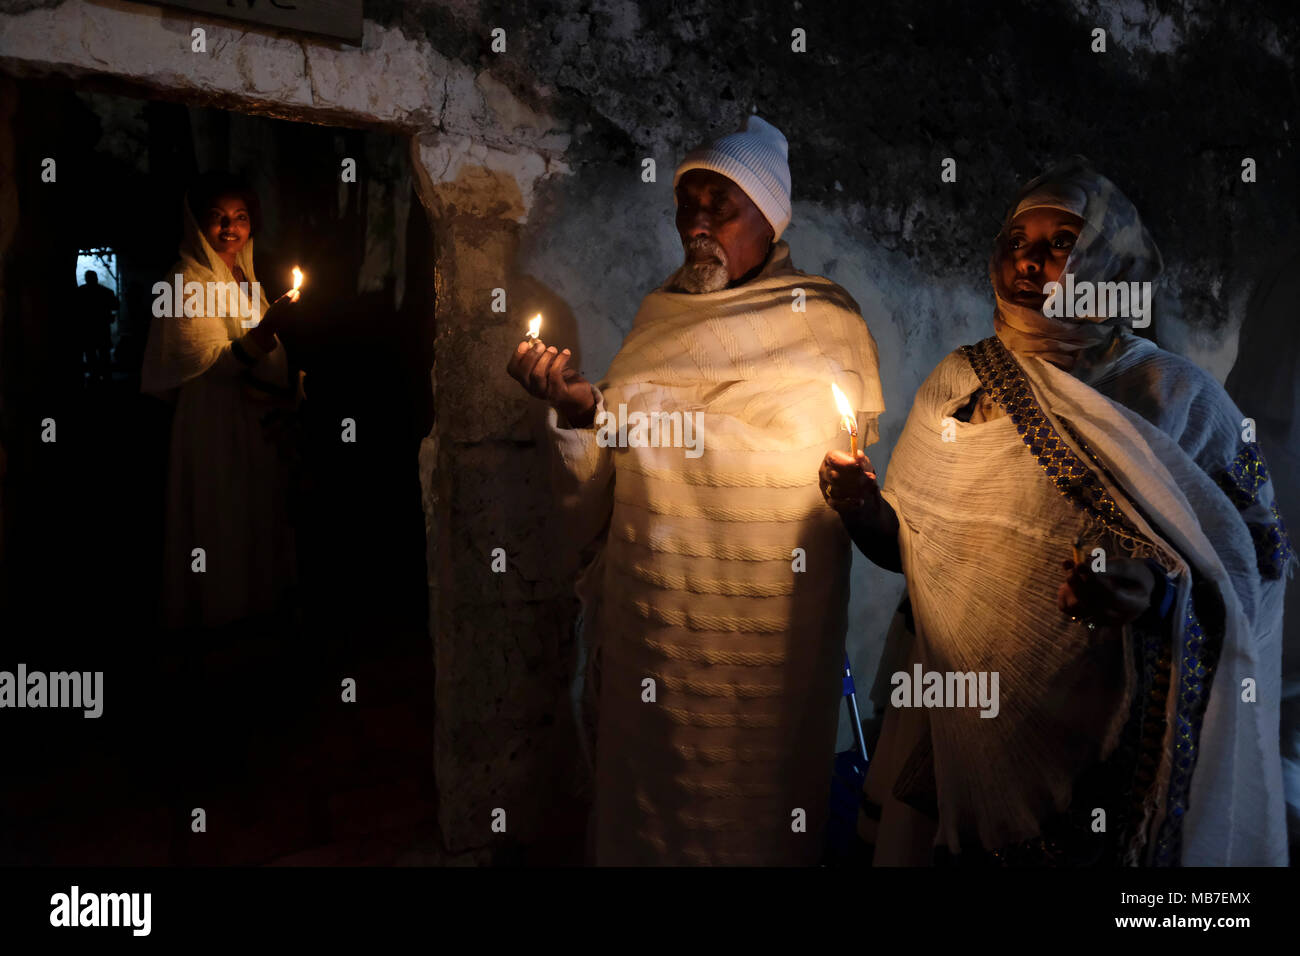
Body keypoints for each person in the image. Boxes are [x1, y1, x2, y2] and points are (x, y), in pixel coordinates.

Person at [820, 157, 1294, 866]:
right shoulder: (957, 385)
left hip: (1116, 733)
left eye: (1059, 243)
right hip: (969, 719)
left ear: (1110, 262)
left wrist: (1158, 593)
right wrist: (860, 508)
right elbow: (911, 552)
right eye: (1016, 241)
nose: (1029, 262)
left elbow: (1257, 559)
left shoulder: (1176, 398)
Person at [507, 115, 886, 864]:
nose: (699, 222)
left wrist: (614, 410)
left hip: (758, 642)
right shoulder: (662, 315)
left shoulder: (825, 321)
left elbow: (787, 462)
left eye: (723, 204)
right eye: (688, 203)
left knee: (749, 820)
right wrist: (579, 418)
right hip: (655, 620)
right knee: (647, 811)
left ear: (768, 220)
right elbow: (611, 468)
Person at [140, 173, 301, 631]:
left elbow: (262, 351)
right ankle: (218, 624)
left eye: (241, 217)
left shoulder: (246, 279)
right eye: (218, 218)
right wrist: (269, 330)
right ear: (196, 223)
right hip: (213, 423)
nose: (231, 228)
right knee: (220, 517)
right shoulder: (185, 279)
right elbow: (211, 364)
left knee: (254, 516)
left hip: (254, 423)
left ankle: (258, 621)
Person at [74, 270, 117, 383]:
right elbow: (116, 306)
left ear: (86, 279)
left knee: (90, 353)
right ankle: (106, 376)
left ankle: (94, 376)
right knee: (104, 353)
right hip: (102, 327)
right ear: (96, 278)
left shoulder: (80, 293)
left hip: (87, 329)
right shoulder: (106, 292)